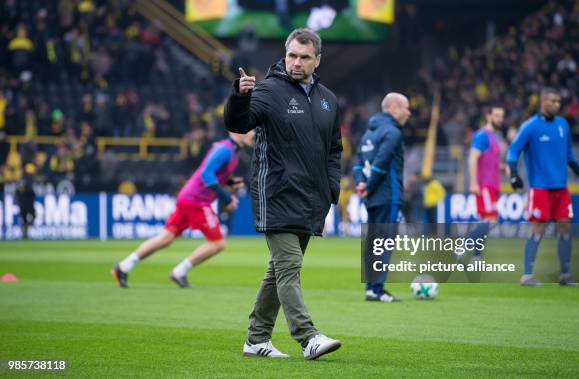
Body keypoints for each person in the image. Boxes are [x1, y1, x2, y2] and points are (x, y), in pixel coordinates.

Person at [224, 28, 342, 360]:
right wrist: (239, 96)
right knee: (289, 266)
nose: (296, 62)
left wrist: (331, 190)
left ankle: (256, 339)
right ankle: (308, 337)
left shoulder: (328, 100)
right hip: (274, 192)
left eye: (304, 57)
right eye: (292, 55)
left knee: (278, 270)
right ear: (285, 54)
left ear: (317, 60)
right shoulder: (269, 91)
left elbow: (334, 150)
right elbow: (240, 124)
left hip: (311, 198)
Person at [111, 131, 254, 288]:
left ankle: (123, 267)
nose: (253, 133)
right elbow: (206, 173)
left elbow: (214, 175)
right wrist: (226, 198)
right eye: (249, 129)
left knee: (166, 238)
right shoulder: (225, 150)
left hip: (188, 196)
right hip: (197, 200)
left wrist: (231, 182)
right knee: (217, 243)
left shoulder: (229, 150)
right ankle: (179, 271)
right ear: (235, 131)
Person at [506, 88, 579, 287]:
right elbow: (513, 150)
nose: (557, 104)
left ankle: (565, 274)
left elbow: (570, 155)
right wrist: (513, 174)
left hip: (561, 188)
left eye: (559, 101)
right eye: (553, 101)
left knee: (565, 227)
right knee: (539, 228)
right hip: (540, 188)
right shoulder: (530, 126)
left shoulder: (563, 125)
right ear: (543, 101)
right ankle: (527, 275)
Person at [352, 92, 411, 302]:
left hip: (372, 196)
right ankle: (377, 289)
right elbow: (382, 163)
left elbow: (358, 163)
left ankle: (371, 287)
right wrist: (368, 185)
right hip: (388, 194)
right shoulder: (392, 132)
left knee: (372, 241)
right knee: (384, 242)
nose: (409, 112)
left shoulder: (368, 133)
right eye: (405, 108)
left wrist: (360, 183)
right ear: (393, 108)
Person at [462, 106, 505, 261]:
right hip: (484, 185)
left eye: (502, 116)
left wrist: (503, 168)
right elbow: (473, 158)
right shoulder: (482, 135)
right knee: (491, 220)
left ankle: (476, 257)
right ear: (488, 116)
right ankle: (463, 245)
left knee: (485, 222)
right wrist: (473, 183)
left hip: (493, 186)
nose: (500, 119)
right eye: (497, 115)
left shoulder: (494, 138)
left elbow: (491, 162)